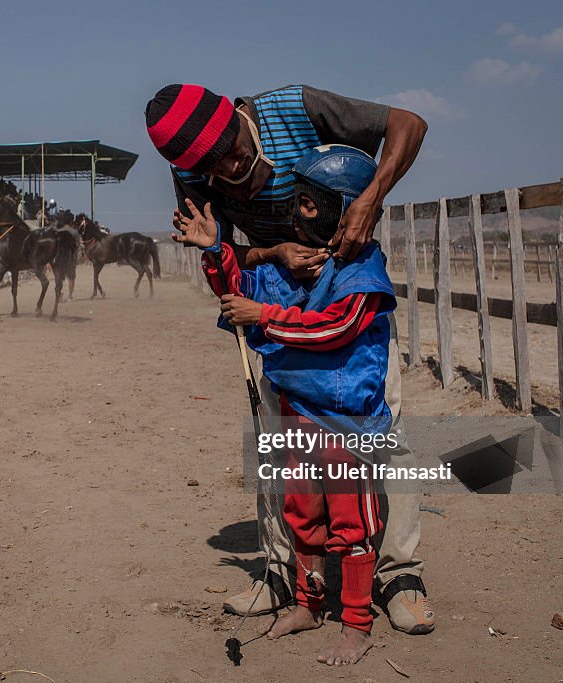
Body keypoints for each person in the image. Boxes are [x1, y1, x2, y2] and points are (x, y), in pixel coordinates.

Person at [145, 83, 433, 635]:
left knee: (379, 436)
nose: (230, 167)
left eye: (232, 148)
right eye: (213, 167)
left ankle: (400, 575)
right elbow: (222, 249)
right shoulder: (192, 173)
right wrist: (273, 252)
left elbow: (409, 124)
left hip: (347, 301)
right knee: (281, 446)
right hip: (273, 313)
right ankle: (287, 574)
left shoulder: (293, 107)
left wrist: (370, 197)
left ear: (235, 115)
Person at [190, 145, 396, 665]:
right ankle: (307, 603)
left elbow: (338, 326)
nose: (299, 212)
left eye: (311, 203)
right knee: (302, 512)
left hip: (346, 424)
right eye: (298, 201)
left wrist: (265, 314)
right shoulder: (293, 257)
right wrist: (216, 251)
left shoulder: (363, 268)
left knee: (353, 523)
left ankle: (356, 624)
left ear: (348, 206)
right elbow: (237, 290)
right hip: (297, 415)